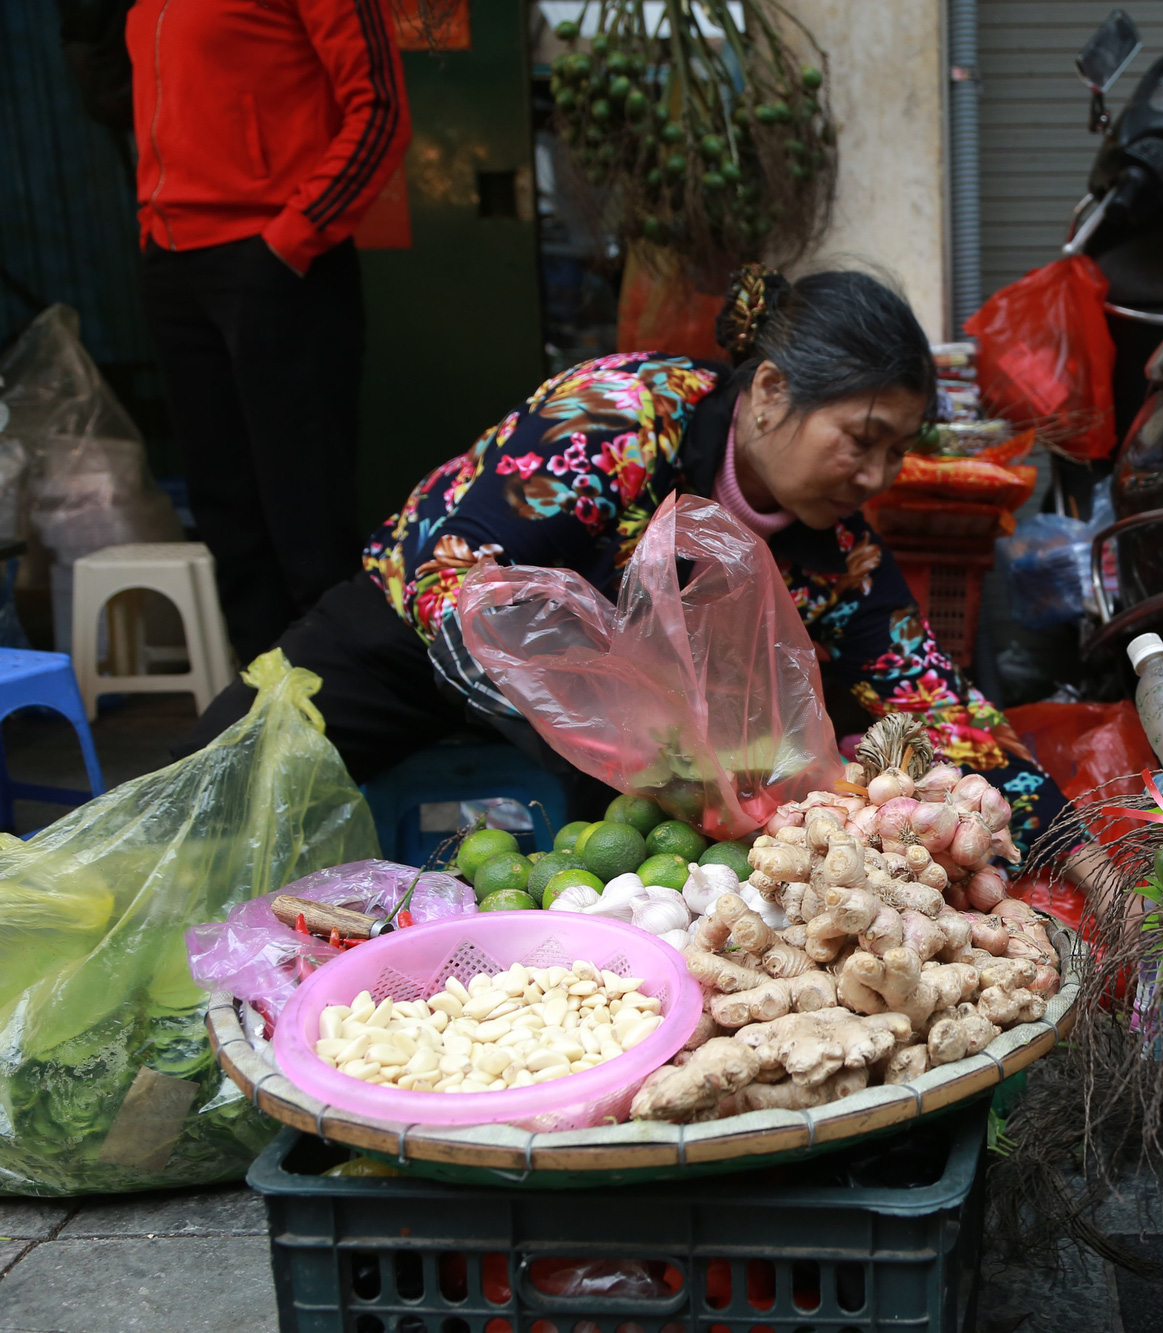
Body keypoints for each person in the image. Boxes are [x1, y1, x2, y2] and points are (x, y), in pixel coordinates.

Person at [186, 266, 1070, 854]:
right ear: (769, 393)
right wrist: (643, 739)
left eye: (898, 450)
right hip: (403, 649)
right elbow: (453, 579)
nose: (876, 477)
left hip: (633, 755)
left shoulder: (834, 549)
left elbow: (933, 704)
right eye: (862, 440)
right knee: (213, 801)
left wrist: (1070, 847)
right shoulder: (622, 418)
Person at [128, 0, 411, 665]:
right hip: (172, 258)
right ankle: (261, 701)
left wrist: (291, 238)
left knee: (304, 510)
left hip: (276, 257)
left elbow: (380, 110)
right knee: (226, 509)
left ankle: (334, 704)